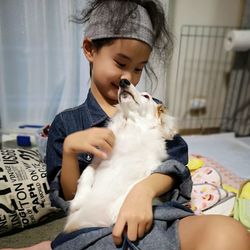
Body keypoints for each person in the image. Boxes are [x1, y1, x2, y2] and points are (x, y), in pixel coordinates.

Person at [2, 0, 249, 250]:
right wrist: (68, 151)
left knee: (230, 234)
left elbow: (175, 164)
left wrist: (144, 191)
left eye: (139, 68)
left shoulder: (152, 111)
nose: (128, 77)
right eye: (120, 64)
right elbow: (70, 199)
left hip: (157, 220)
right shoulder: (68, 123)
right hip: (98, 231)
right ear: (90, 49)